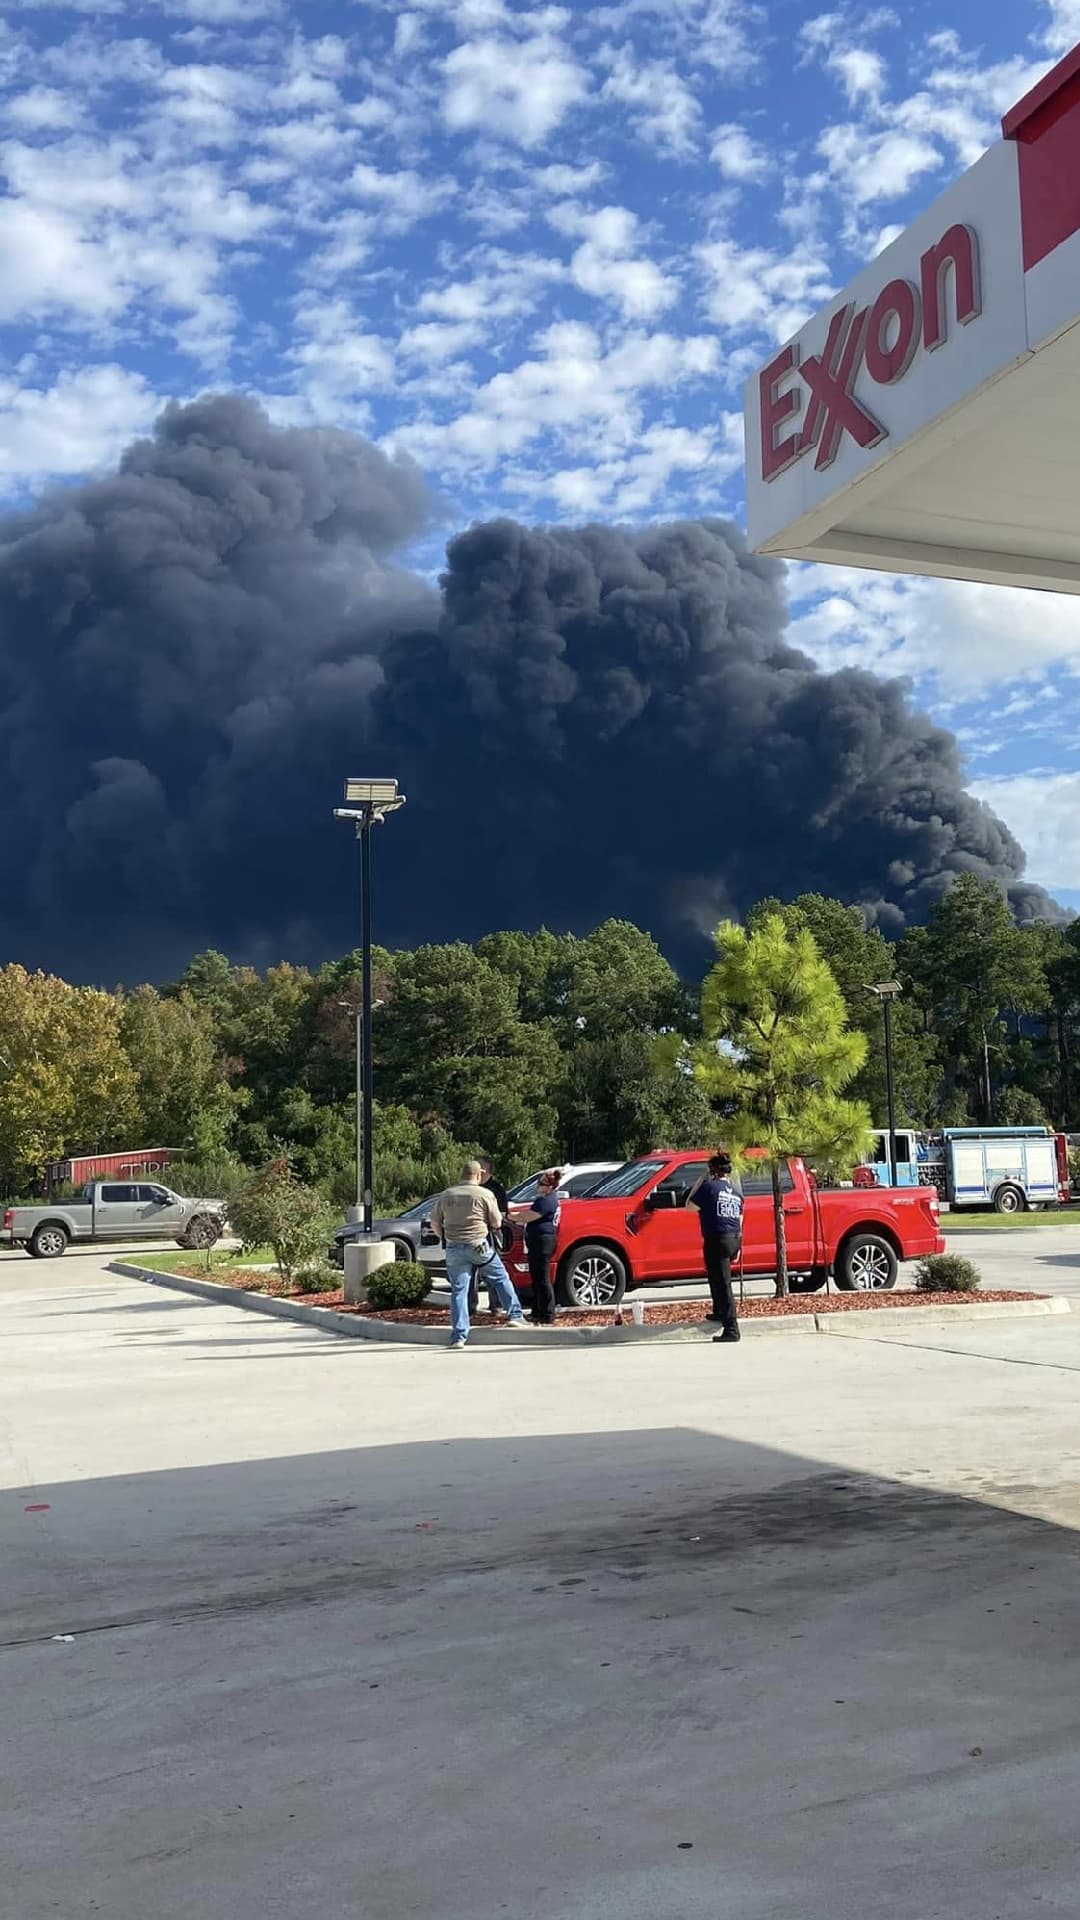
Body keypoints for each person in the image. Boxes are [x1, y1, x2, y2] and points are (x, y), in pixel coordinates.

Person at [432, 1161, 527, 1349]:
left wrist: (444, 1235)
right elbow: (497, 1222)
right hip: (478, 1245)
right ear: (478, 1175)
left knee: (459, 1290)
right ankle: (515, 1315)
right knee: (500, 1278)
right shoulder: (485, 1194)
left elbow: (435, 1222)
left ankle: (459, 1336)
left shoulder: (447, 1195)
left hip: (453, 1247)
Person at [688, 1152, 743, 1344]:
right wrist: (738, 1247)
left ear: (712, 1171)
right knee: (715, 1276)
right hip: (733, 1238)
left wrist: (701, 1181)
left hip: (717, 1239)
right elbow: (740, 1220)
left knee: (723, 1283)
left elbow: (689, 1205)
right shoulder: (736, 1193)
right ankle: (719, 1311)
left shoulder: (709, 1188)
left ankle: (732, 1329)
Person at [510, 1168, 561, 1325]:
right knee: (537, 1278)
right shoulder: (548, 1199)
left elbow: (528, 1216)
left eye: (541, 1184)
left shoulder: (545, 1201)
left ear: (550, 1187)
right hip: (541, 1240)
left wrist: (509, 1216)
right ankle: (538, 1311)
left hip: (542, 1241)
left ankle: (547, 1313)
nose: (538, 1186)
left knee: (542, 1278)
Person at [469, 1154, 510, 1316]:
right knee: (471, 1272)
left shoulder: (496, 1190)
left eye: (479, 1168)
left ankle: (496, 1305)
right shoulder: (471, 1189)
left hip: (490, 1235)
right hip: (473, 1236)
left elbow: (501, 1214)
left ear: (486, 1171)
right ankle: (471, 1306)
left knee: (492, 1270)